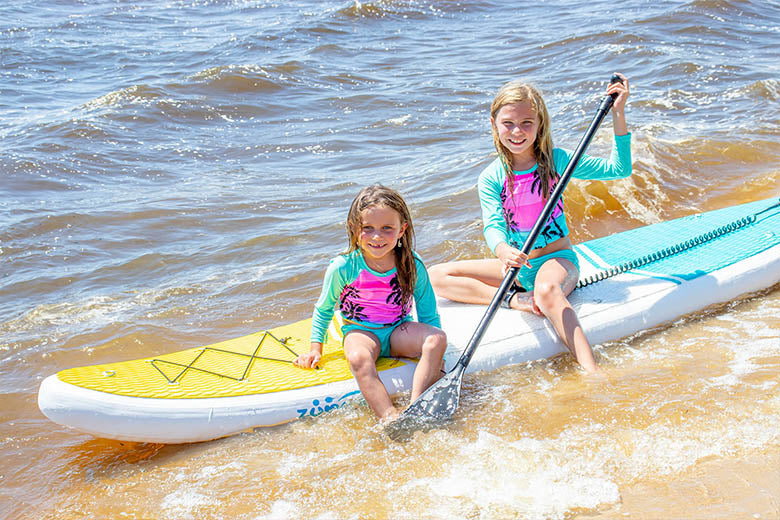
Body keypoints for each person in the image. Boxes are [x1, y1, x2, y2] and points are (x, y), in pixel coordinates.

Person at [429, 74, 631, 373]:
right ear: (494, 125)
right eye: (508, 123)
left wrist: (618, 112)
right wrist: (501, 250)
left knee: (547, 291)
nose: (517, 131)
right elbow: (493, 224)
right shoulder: (491, 177)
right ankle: (515, 300)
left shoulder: (558, 161)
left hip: (556, 260)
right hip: (516, 267)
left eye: (527, 123)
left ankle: (593, 371)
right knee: (435, 275)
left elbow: (619, 168)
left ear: (540, 125)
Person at [294, 184, 447, 421]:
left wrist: (436, 355)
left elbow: (427, 311)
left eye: (387, 228)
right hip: (361, 332)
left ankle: (418, 407)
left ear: (401, 230)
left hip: (399, 329)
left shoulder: (411, 264)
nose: (377, 236)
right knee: (358, 358)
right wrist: (316, 349)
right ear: (355, 229)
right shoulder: (344, 266)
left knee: (437, 339)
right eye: (368, 228)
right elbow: (324, 309)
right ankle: (389, 416)